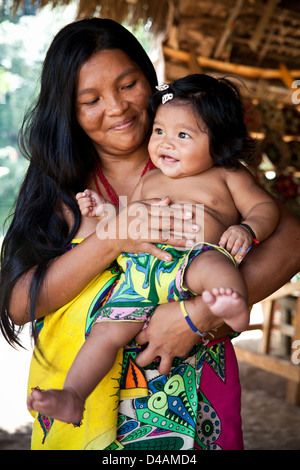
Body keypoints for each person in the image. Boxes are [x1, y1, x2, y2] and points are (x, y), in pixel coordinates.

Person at [0, 18, 299, 451]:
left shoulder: (202, 162)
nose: (117, 107)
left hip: (193, 399)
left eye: (128, 84)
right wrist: (111, 238)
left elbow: (290, 238)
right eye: (90, 99)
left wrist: (196, 317)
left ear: (151, 80)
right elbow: (18, 303)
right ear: (68, 110)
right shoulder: (59, 187)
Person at [26, 74, 280, 425]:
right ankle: (73, 396)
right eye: (159, 131)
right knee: (105, 334)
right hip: (143, 273)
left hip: (193, 258)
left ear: (218, 143)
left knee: (214, 269)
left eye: (183, 135)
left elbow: (267, 209)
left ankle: (231, 308)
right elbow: (131, 225)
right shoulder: (151, 179)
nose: (165, 143)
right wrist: (105, 212)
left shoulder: (228, 176)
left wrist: (246, 228)